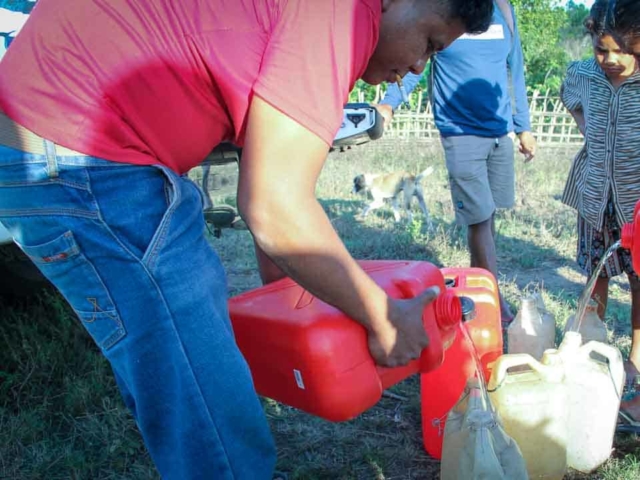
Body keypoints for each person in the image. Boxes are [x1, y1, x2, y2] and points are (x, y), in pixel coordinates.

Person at [0, 0, 494, 478]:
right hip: (80, 155)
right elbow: (274, 207)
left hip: (48, 140)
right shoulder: (341, 13)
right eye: (428, 42)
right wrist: (383, 316)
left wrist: (290, 300)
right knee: (206, 393)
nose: (416, 68)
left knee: (181, 375)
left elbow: (261, 168)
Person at [376, 0, 537, 326]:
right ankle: (493, 301)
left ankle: (481, 284)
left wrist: (523, 126)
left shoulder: (504, 9)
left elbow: (514, 68)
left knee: (490, 215)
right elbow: (415, 60)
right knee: (479, 219)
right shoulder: (447, 8)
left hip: (499, 131)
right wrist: (388, 104)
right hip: (460, 132)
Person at [561, 0, 640, 385]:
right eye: (601, 48)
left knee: (639, 281)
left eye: (623, 49)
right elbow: (568, 94)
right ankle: (593, 346)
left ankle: (636, 361)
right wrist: (589, 131)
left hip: (637, 201)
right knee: (597, 274)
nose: (610, 58)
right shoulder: (583, 74)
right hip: (594, 196)